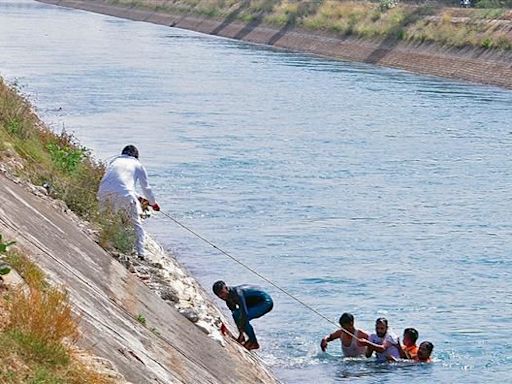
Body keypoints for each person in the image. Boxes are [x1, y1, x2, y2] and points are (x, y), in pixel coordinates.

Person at [97, 145, 160, 259]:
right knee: (137, 224)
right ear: (136, 156)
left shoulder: (115, 161)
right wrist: (153, 203)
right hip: (125, 194)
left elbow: (119, 184)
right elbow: (146, 188)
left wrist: (140, 198)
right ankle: (141, 254)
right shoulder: (138, 165)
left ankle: (106, 240)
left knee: (106, 217)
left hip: (103, 191)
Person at [212, 280, 273, 351]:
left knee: (243, 317)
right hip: (253, 302)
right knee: (236, 314)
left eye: (222, 293)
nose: (221, 296)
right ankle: (245, 338)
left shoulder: (238, 293)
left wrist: (241, 332)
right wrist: (241, 333)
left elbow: (244, 314)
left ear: (226, 288)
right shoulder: (227, 299)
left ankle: (254, 342)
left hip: (265, 302)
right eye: (218, 295)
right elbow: (235, 316)